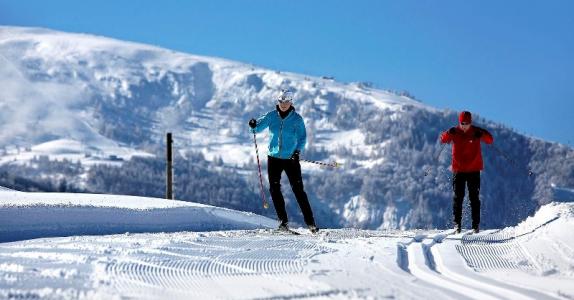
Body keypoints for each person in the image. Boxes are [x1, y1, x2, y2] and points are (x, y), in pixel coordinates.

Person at [248, 89, 318, 233]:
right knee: (274, 189)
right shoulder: (271, 116)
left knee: (298, 190)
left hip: (290, 159)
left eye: (286, 102)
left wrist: (297, 152)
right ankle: (283, 223)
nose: (283, 104)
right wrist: (253, 125)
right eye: (281, 101)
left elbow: (302, 138)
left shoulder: (297, 119)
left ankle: (311, 223)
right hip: (273, 158)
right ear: (278, 102)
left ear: (291, 102)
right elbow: (256, 129)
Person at [440, 111, 493, 233]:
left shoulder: (476, 131)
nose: (464, 125)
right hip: (458, 170)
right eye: (462, 123)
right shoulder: (455, 131)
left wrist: (482, 134)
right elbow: (443, 139)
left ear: (470, 122)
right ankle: (457, 224)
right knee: (458, 197)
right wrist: (448, 133)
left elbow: (490, 140)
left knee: (474, 198)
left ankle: (476, 226)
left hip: (474, 170)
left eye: (467, 123)